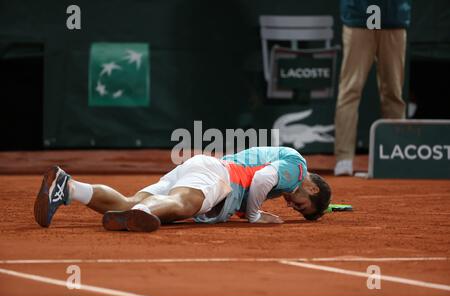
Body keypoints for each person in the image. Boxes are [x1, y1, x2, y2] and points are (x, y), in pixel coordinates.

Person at [34, 147, 332, 232]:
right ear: (312, 188)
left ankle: (69, 188)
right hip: (218, 175)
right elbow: (261, 180)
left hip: (199, 168)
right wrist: (254, 217)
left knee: (128, 202)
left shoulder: (285, 184)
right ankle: (145, 212)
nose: (293, 206)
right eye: (302, 205)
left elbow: (263, 183)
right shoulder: (298, 169)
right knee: (185, 203)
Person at [334, 0, 411, 176]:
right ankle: (344, 157)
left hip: (393, 18)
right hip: (358, 18)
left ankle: (397, 156)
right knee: (350, 91)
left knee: (393, 93)